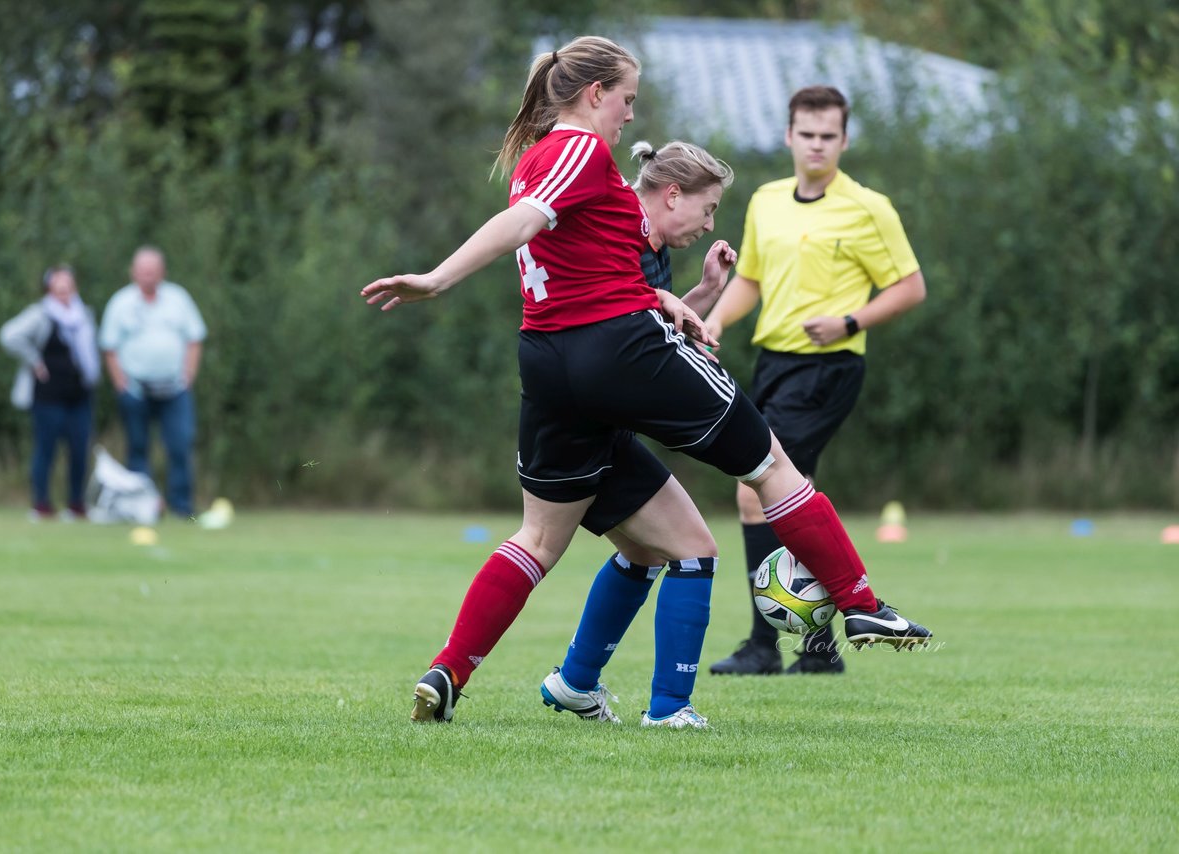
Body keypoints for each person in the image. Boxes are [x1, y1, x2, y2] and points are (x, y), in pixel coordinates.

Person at [360, 37, 930, 729]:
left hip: (547, 362)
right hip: (615, 348)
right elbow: (525, 224)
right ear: (595, 93)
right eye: (627, 99)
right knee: (770, 462)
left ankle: (453, 669)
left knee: (560, 539)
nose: (631, 115)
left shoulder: (542, 160)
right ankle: (859, 600)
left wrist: (685, 296)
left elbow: (604, 260)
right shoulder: (578, 147)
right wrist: (437, 277)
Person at [705, 85, 927, 677]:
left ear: (844, 140)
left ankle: (761, 645)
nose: (817, 145)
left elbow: (910, 286)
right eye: (807, 134)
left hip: (829, 368)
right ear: (788, 136)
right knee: (794, 494)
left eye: (829, 136)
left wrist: (850, 320)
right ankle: (821, 651)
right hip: (773, 363)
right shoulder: (767, 200)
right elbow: (749, 278)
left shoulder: (868, 206)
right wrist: (716, 318)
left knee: (756, 489)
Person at [540, 139, 742, 724]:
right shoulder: (620, 237)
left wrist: (703, 292)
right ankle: (669, 708)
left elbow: (650, 319)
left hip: (588, 423)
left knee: (642, 551)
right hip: (587, 425)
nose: (709, 225)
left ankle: (575, 682)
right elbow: (619, 329)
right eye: (707, 210)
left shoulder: (650, 251)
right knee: (694, 550)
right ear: (672, 194)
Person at [99, 246, 207, 518]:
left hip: (175, 390)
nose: (149, 276)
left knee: (180, 445)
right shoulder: (121, 303)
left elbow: (194, 338)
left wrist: (189, 375)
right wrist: (120, 383)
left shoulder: (178, 299)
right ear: (134, 273)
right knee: (138, 450)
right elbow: (109, 346)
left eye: (154, 271)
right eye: (144, 272)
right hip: (136, 390)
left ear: (163, 272)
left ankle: (182, 508)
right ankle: (142, 509)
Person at [0, 265, 100, 520]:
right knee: (46, 449)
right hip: (48, 395)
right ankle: (41, 503)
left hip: (79, 394)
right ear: (49, 287)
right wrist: (34, 360)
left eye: (68, 283)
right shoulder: (40, 314)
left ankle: (77, 504)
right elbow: (9, 335)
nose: (64, 289)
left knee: (79, 449)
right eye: (58, 284)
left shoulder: (84, 314)